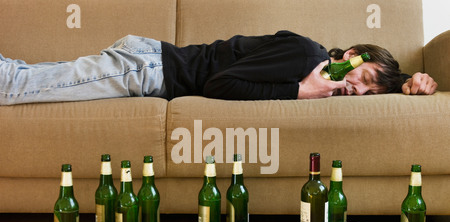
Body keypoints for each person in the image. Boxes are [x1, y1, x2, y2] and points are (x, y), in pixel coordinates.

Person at [0, 30, 437, 105]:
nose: (356, 91)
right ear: (348, 57)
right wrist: (301, 91)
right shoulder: (307, 57)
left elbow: (381, 82)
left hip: (147, 63)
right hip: (148, 70)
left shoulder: (324, 74)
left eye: (367, 94)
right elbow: (218, 84)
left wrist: (409, 84)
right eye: (360, 79)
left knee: (22, 76)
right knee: (15, 87)